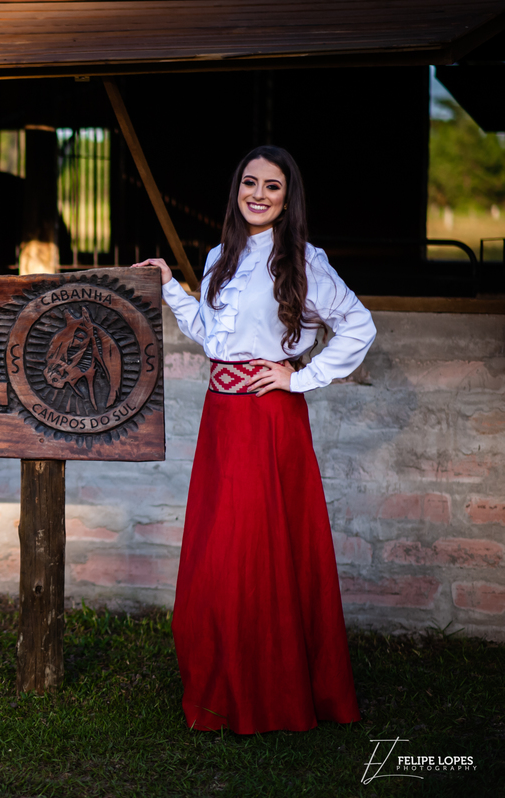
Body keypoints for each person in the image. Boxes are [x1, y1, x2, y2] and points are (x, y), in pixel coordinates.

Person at [132, 145, 375, 734]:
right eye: (250, 183)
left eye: (272, 186)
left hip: (270, 420)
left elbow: (359, 327)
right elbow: (213, 337)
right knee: (221, 553)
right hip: (222, 418)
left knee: (261, 552)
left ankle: (274, 692)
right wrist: (170, 286)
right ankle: (223, 683)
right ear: (236, 190)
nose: (258, 194)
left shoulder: (303, 261)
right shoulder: (222, 254)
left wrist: (302, 375)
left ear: (288, 198)